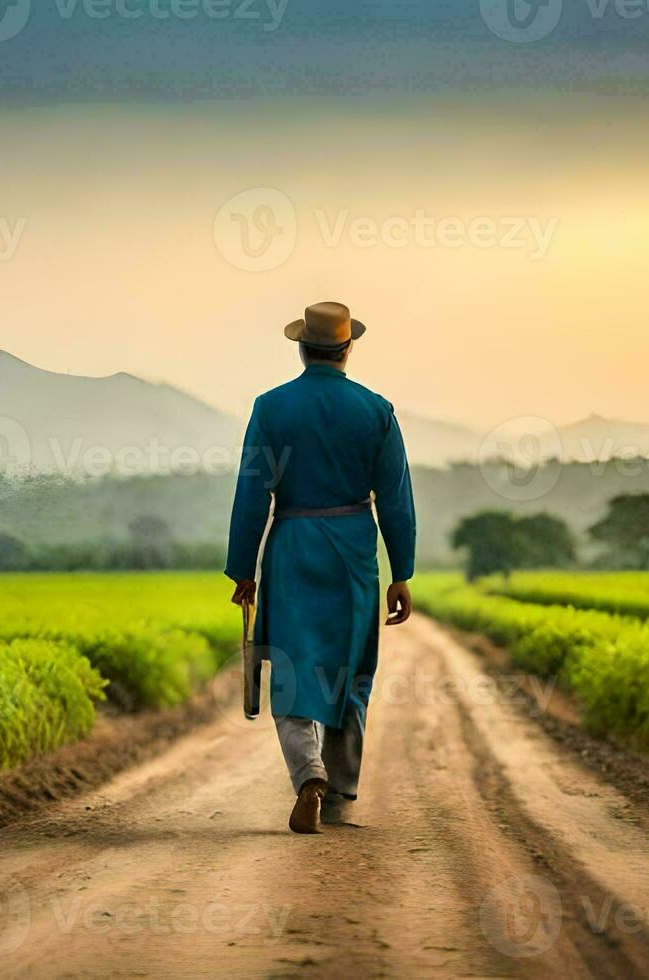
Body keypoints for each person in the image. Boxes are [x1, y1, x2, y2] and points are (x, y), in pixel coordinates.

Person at [226, 301, 416, 835]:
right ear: (347, 348)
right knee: (350, 673)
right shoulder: (376, 411)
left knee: (290, 667)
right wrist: (402, 571)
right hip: (355, 550)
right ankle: (339, 796)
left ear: (302, 348)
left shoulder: (271, 408)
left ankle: (308, 773)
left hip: (291, 546)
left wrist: (243, 567)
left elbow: (251, 493)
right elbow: (396, 498)